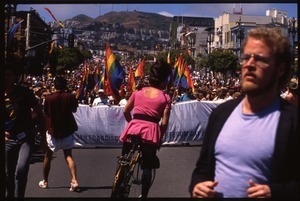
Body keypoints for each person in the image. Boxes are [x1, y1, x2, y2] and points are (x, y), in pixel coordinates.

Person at [189, 27, 299, 199]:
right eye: (246, 57)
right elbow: (201, 171)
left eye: (260, 59)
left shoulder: (292, 121)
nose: (249, 65)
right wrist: (198, 186)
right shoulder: (221, 114)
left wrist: (276, 192)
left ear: (280, 69)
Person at [119, 59, 172, 198]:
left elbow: (125, 111)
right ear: (163, 81)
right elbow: (165, 122)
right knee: (147, 166)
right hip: (151, 131)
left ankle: (119, 180)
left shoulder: (138, 92)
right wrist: (159, 137)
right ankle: (144, 195)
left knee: (124, 159)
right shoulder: (165, 97)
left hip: (133, 128)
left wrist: (132, 123)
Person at [5, 64, 46, 199]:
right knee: (7, 174)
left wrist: (44, 140)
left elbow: (40, 114)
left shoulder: (25, 92)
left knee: (21, 170)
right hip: (7, 140)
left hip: (26, 138)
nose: (5, 78)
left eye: (8, 75)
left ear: (14, 76)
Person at [39, 76, 80, 192]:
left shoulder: (48, 98)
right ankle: (74, 180)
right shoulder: (70, 97)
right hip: (67, 130)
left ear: (55, 86)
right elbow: (75, 110)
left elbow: (46, 112)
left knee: (48, 156)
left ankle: (45, 181)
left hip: (53, 130)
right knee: (68, 156)